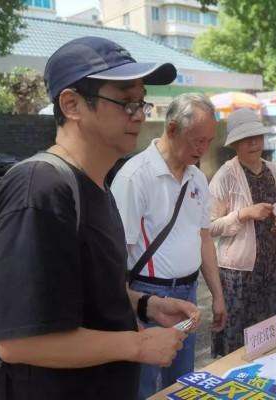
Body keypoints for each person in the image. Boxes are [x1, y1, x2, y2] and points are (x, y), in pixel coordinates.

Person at [0, 36, 202, 400]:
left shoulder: (97, 187)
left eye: (141, 103)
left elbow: (80, 291)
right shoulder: (41, 191)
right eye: (126, 103)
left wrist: (146, 304)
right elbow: (20, 341)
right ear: (72, 104)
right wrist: (137, 345)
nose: (140, 115)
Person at [111, 93, 228, 399]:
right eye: (197, 140)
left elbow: (204, 239)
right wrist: (125, 309)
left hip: (187, 295)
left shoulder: (198, 179)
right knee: (143, 385)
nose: (203, 149)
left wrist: (217, 295)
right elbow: (118, 253)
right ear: (173, 129)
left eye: (209, 141)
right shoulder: (135, 177)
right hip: (147, 297)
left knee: (183, 384)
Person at [208, 108, 276, 357]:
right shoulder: (224, 176)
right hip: (238, 274)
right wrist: (243, 214)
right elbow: (209, 227)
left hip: (271, 266)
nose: (253, 143)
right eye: (245, 138)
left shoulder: (274, 171)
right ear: (234, 144)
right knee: (237, 341)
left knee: (269, 336)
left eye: (257, 136)